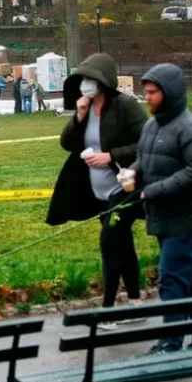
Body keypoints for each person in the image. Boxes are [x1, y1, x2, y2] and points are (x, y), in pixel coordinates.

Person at [46, 53, 148, 332]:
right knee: (123, 244)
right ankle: (137, 303)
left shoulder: (125, 106)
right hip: (97, 191)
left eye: (91, 80)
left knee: (109, 245)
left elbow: (147, 143)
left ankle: (108, 310)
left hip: (124, 186)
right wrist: (78, 116)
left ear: (104, 82)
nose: (86, 85)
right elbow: (67, 143)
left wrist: (110, 155)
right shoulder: (86, 108)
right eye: (83, 80)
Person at [126, 63, 192, 353]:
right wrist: (133, 173)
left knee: (172, 278)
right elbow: (144, 158)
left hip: (188, 219)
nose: (148, 97)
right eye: (147, 92)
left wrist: (153, 191)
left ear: (170, 93)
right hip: (164, 216)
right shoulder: (153, 126)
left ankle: (170, 340)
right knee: (187, 279)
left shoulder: (191, 128)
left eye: (153, 92)